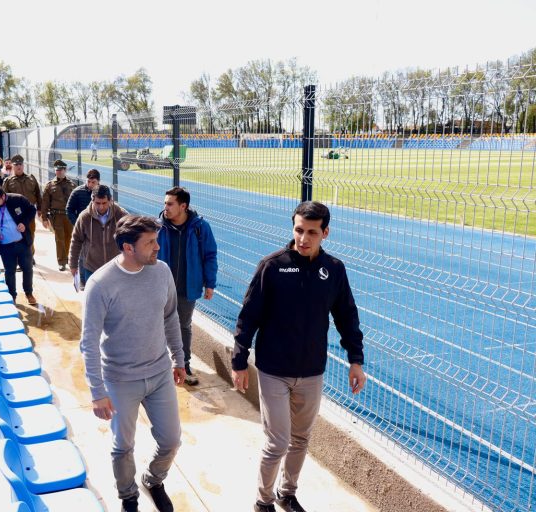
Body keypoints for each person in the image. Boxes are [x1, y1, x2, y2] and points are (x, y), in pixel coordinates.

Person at [231, 201, 366, 512]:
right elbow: (248, 316)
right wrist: (239, 361)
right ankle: (263, 500)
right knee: (277, 442)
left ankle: (287, 493)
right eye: (299, 230)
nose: (303, 238)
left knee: (301, 439)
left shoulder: (334, 269)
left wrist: (355, 360)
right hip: (273, 369)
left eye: (312, 232)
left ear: (325, 233)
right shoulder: (272, 266)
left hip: (311, 370)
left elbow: (347, 316)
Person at [80, 214, 185, 512]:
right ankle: (128, 496)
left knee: (171, 440)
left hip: (159, 373)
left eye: (156, 240)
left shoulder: (161, 272)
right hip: (120, 379)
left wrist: (179, 357)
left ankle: (153, 479)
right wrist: (97, 391)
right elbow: (88, 342)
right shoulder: (100, 284)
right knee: (123, 447)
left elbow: (170, 316)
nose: (157, 247)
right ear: (128, 247)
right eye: (150, 242)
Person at [157, 187, 218, 386]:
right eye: (165, 203)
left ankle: (184, 365)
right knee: (158, 325)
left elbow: (210, 255)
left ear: (183, 206)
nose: (165, 207)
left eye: (170, 204)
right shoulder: (158, 226)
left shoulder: (200, 228)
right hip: (161, 287)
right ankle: (161, 364)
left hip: (187, 287)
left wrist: (210, 283)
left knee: (183, 326)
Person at [69, 185, 128, 285]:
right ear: (92, 201)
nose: (101, 207)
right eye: (97, 203)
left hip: (115, 268)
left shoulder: (121, 215)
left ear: (110, 200)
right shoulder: (84, 217)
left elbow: (133, 237)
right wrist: (73, 265)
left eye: (104, 203)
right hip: (91, 268)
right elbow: (76, 241)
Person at [3, 154, 42, 256]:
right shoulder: (8, 181)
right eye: (16, 165)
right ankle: (20, 257)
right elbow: (4, 199)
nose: (19, 166)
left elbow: (38, 194)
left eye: (20, 164)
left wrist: (40, 208)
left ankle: (30, 255)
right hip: (16, 214)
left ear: (23, 165)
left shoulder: (31, 179)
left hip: (30, 212)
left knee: (31, 233)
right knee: (18, 235)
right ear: (12, 166)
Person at [41, 159, 76, 271]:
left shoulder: (72, 185)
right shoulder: (50, 185)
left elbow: (76, 201)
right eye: (57, 170)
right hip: (57, 216)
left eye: (61, 170)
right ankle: (61, 261)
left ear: (65, 170)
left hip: (69, 216)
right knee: (59, 238)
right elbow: (45, 203)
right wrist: (44, 218)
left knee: (69, 237)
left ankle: (68, 258)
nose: (59, 172)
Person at [67, 168, 101, 283]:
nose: (90, 184)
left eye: (93, 182)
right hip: (83, 230)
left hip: (99, 230)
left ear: (98, 181)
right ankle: (83, 281)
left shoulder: (103, 193)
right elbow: (69, 209)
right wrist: (77, 224)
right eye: (88, 181)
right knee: (83, 256)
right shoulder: (77, 192)